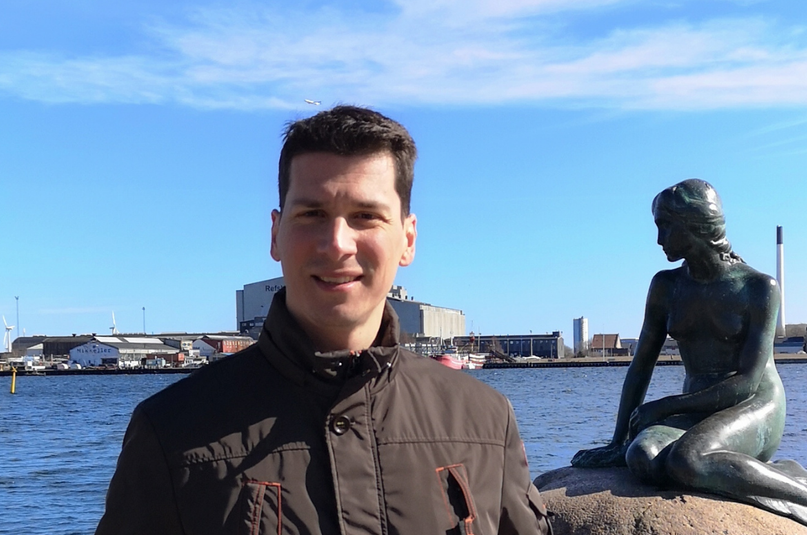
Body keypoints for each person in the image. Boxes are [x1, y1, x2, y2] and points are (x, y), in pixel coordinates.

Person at [96, 105, 550, 535]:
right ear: (276, 234)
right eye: (312, 214)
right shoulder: (172, 432)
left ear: (407, 239)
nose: (336, 244)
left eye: (365, 216)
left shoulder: (486, 422)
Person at [571, 179, 807, 535]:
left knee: (688, 460)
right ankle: (757, 472)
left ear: (696, 226)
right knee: (641, 457)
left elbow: (747, 382)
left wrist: (663, 408)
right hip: (695, 409)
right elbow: (641, 363)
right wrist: (618, 442)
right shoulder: (666, 286)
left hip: (754, 404)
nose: (659, 240)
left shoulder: (758, 288)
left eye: (666, 226)